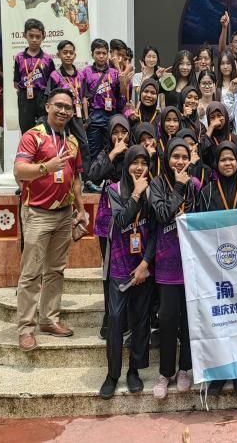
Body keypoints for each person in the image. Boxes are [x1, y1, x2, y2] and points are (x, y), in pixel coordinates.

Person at [13, 88, 88, 351]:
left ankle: (49, 319)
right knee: (31, 272)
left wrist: (81, 209)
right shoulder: (32, 136)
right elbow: (19, 171)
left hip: (64, 214)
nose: (63, 111)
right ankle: (25, 328)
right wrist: (47, 167)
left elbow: (76, 178)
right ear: (47, 106)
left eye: (68, 107)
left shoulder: (72, 141)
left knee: (55, 270)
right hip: (37, 213)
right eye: (59, 105)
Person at [200, 141, 237, 397]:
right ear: (216, 163)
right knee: (219, 322)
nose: (227, 163)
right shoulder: (206, 192)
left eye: (232, 159)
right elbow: (199, 228)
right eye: (223, 159)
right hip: (213, 268)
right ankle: (220, 373)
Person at [99, 145, 155, 400]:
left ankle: (134, 370)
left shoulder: (153, 191)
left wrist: (146, 263)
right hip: (119, 265)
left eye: (144, 163)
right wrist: (135, 194)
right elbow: (121, 220)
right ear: (127, 164)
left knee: (141, 320)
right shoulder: (113, 190)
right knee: (116, 319)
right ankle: (112, 374)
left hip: (143, 265)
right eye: (135, 162)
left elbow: (155, 230)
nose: (139, 167)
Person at [150, 138, 200, 399]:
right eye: (175, 156)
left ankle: (184, 370)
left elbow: (202, 217)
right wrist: (179, 186)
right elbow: (161, 214)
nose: (179, 162)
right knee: (168, 319)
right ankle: (165, 372)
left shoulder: (197, 185)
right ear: (167, 158)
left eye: (184, 157)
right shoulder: (157, 184)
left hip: (192, 264)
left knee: (189, 322)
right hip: (166, 264)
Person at [87, 115, 131, 339]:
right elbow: (93, 175)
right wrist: (113, 153)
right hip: (108, 219)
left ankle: (128, 317)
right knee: (109, 270)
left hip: (132, 217)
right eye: (116, 132)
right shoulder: (106, 153)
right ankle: (110, 316)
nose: (120, 136)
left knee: (130, 268)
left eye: (124, 132)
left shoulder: (135, 153)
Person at [82, 38, 130, 167]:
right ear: (92, 54)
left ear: (108, 54)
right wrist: (86, 119)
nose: (101, 56)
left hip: (111, 116)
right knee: (94, 150)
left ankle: (110, 174)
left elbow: (122, 94)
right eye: (98, 53)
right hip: (95, 116)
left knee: (111, 147)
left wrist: (123, 81)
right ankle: (94, 176)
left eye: (104, 53)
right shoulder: (86, 72)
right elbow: (84, 97)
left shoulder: (114, 72)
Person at [47, 41, 91, 175]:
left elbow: (84, 97)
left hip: (76, 115)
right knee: (62, 143)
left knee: (83, 144)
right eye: (65, 53)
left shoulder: (81, 75)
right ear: (58, 55)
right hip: (61, 115)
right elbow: (50, 97)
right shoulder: (55, 75)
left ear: (75, 55)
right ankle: (63, 174)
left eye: (71, 53)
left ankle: (86, 177)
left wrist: (86, 118)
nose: (68, 55)